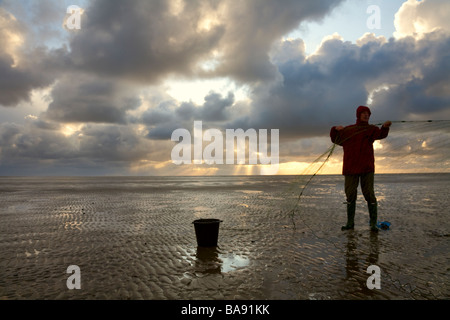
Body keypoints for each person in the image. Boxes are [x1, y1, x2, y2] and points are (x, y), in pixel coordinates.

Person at [330, 106, 391, 232]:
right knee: (350, 195)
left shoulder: (372, 129)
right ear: (358, 115)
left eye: (368, 114)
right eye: (363, 113)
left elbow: (381, 134)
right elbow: (335, 139)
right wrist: (335, 129)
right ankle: (350, 223)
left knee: (369, 194)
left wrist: (385, 127)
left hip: (367, 167)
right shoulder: (348, 130)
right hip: (350, 168)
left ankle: (373, 224)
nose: (366, 115)